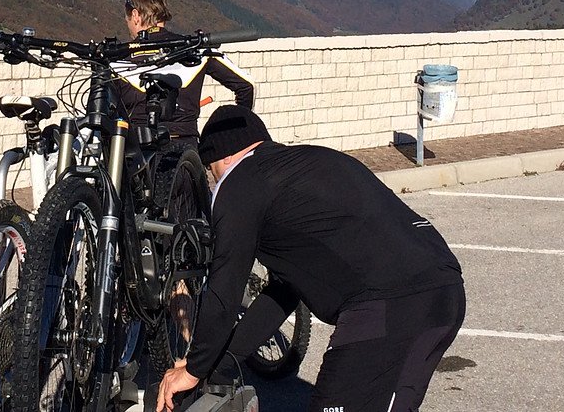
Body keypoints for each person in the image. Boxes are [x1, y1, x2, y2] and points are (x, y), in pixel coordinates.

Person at [157, 105, 465, 412]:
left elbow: (224, 290)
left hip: (388, 305)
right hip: (444, 291)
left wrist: (192, 370)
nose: (214, 179)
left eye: (211, 170)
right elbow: (285, 291)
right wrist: (222, 361)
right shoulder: (310, 163)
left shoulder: (240, 180)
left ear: (224, 158)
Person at [112, 0, 255, 141]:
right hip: (186, 143)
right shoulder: (195, 48)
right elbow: (246, 86)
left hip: (138, 144)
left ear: (135, 16)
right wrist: (236, 133)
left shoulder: (117, 59)